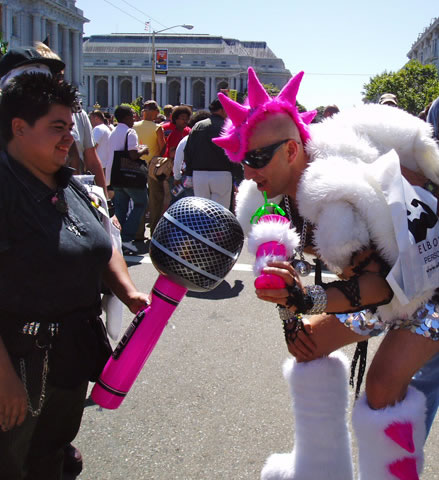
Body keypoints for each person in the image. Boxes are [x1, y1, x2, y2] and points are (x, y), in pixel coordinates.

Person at [213, 67, 439, 479]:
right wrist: (289, 313)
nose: (248, 172)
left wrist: (304, 299)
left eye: (257, 159)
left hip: (429, 287)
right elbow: (292, 283)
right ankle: (319, 467)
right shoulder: (270, 198)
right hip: (385, 285)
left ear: (291, 150)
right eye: (243, 160)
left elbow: (377, 288)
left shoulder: (333, 192)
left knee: (382, 387)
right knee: (307, 345)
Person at [0, 72, 148, 480]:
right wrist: (4, 377)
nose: (69, 137)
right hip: (19, 363)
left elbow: (102, 244)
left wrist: (129, 291)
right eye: (57, 127)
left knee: (50, 458)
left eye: (70, 126)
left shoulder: (71, 185)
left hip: (71, 358)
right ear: (19, 127)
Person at [108, 106, 149, 251]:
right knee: (141, 203)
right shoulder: (130, 132)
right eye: (132, 116)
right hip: (130, 176)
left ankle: (116, 238)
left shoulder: (113, 132)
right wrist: (143, 149)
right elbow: (133, 154)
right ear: (126, 117)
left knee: (120, 208)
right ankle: (126, 237)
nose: (135, 118)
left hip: (116, 175)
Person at [184, 99, 234, 209]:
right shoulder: (227, 127)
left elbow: (188, 151)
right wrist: (237, 176)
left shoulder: (197, 126)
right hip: (222, 174)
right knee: (220, 210)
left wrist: (189, 174)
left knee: (202, 210)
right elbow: (233, 152)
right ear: (223, 109)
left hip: (199, 174)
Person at [133, 100, 165, 241]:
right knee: (155, 200)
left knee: (139, 200)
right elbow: (162, 147)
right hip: (153, 167)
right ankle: (154, 231)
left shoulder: (133, 126)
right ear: (154, 112)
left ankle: (138, 232)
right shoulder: (157, 128)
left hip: (136, 166)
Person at [89, 109, 111, 186]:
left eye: (90, 118)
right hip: (104, 164)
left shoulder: (98, 129)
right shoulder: (106, 128)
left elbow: (92, 147)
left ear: (96, 118)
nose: (89, 121)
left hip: (98, 166)